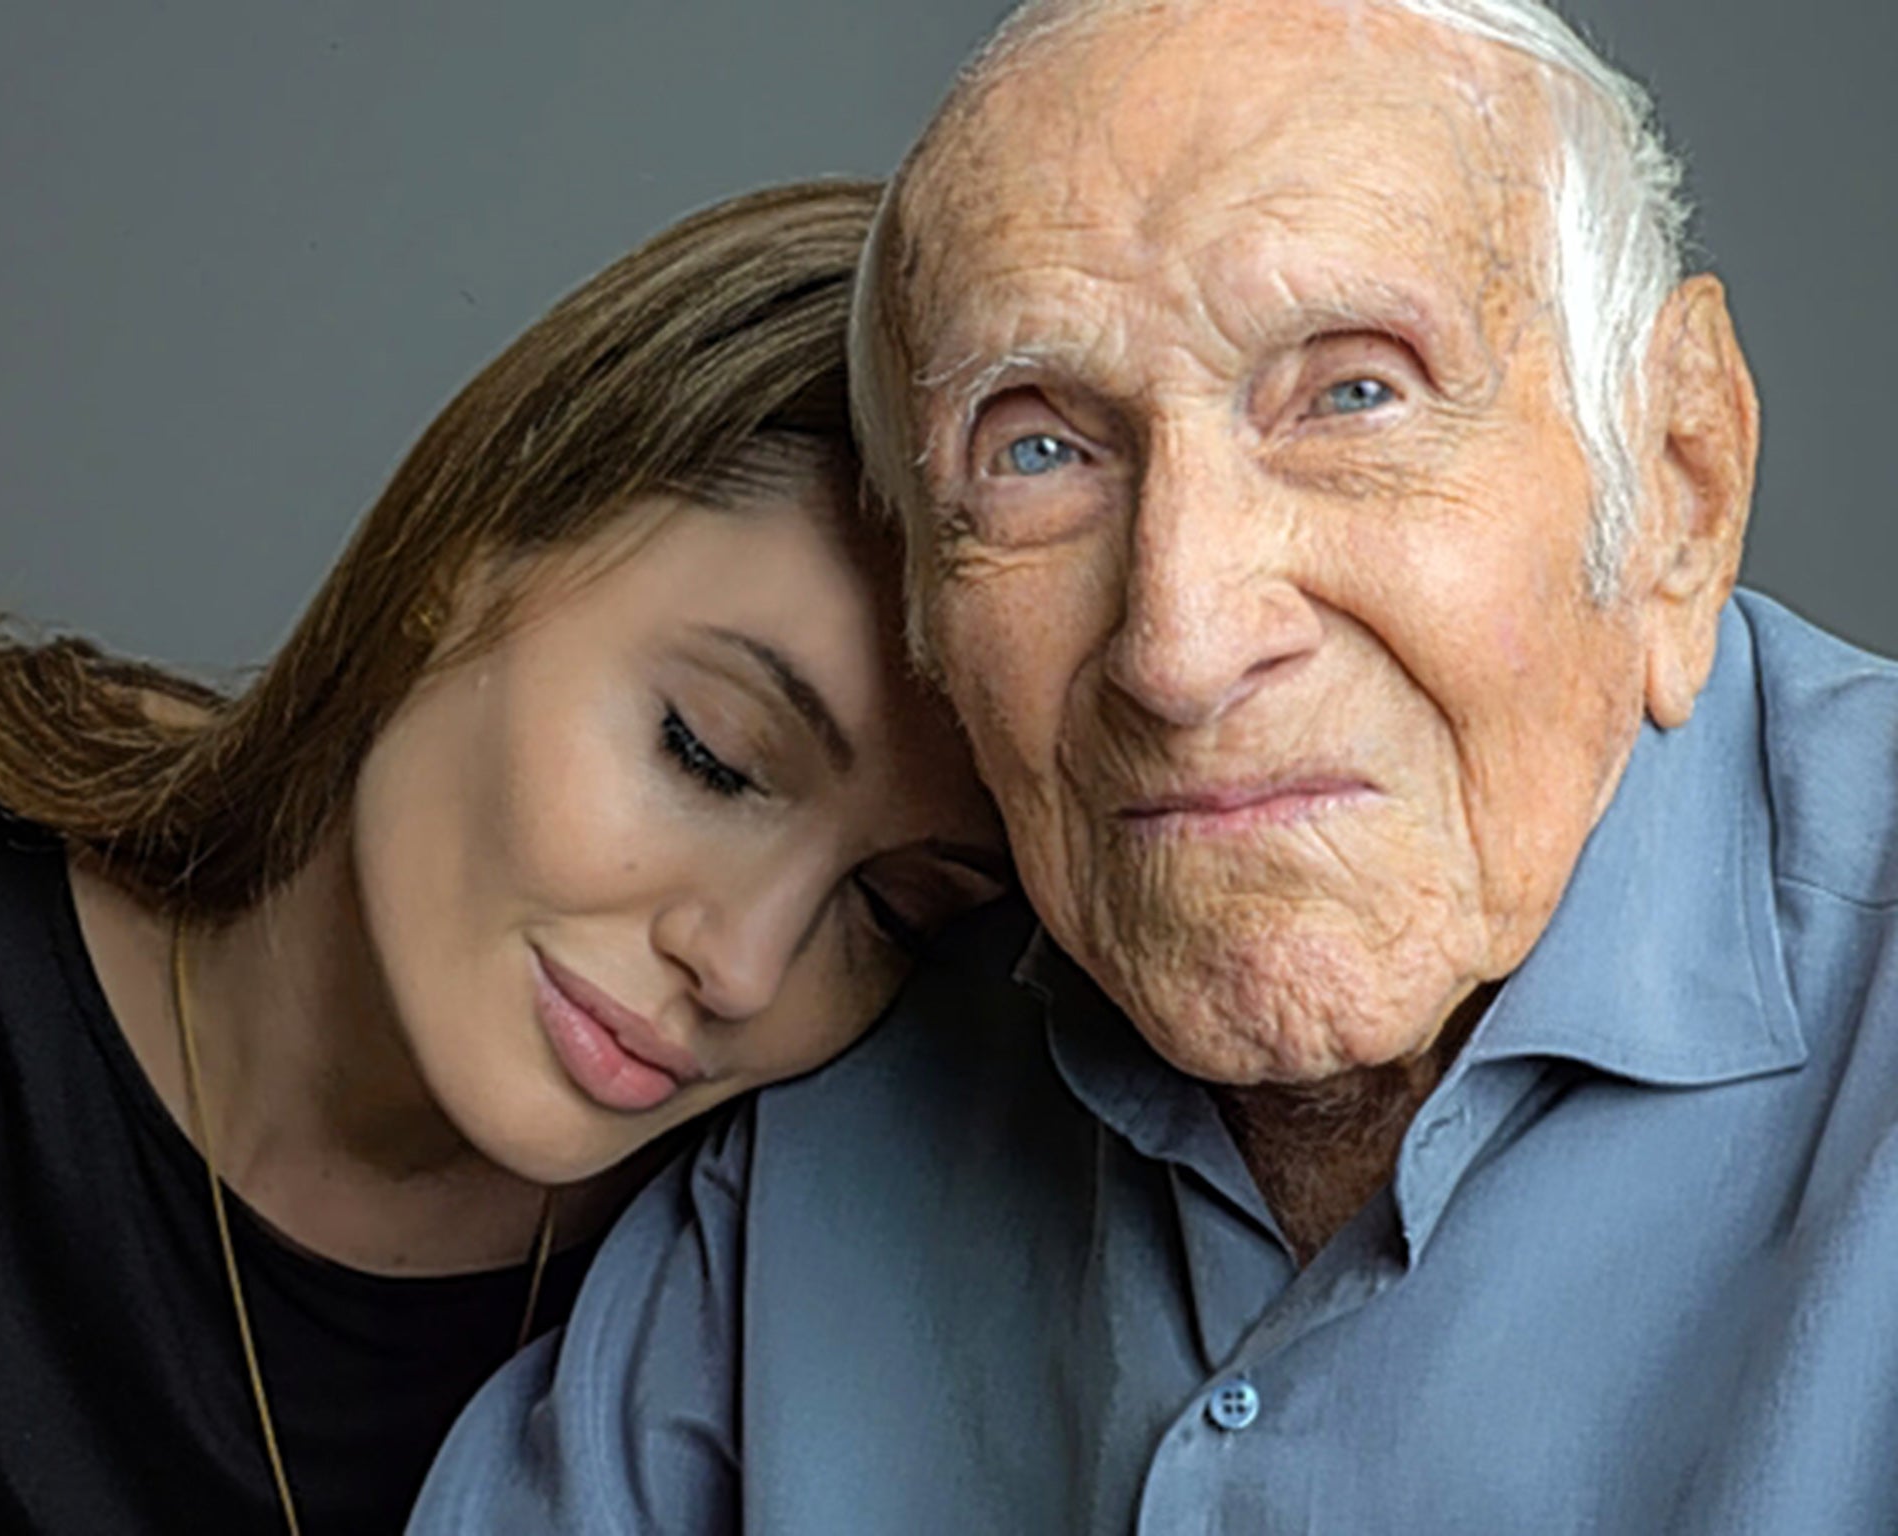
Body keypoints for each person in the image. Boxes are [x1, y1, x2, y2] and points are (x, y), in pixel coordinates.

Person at [409, 2, 1898, 1532]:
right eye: (1038, 449)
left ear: (1679, 487)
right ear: (921, 597)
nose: (1180, 647)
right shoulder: (834, 1098)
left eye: (1352, 392)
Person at [0, 178, 1005, 1535]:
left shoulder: (772, 1274)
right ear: (473, 545)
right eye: (710, 754)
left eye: (892, 908)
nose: (744, 965)